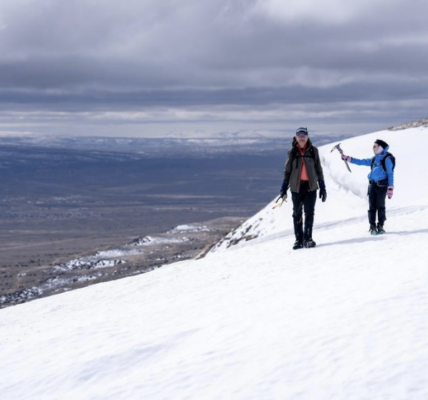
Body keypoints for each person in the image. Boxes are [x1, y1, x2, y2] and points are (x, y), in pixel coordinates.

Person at [279, 127, 327, 250]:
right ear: (296, 137)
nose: (302, 137)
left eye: (304, 135)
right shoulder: (292, 152)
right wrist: (283, 188)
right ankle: (298, 240)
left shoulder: (313, 151)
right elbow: (287, 171)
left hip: (311, 187)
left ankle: (308, 239)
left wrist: (322, 187)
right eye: (299, 135)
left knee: (309, 213)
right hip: (296, 188)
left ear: (307, 137)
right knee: (297, 214)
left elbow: (319, 169)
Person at [341, 139, 394, 235]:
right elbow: (361, 162)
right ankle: (372, 226)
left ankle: (380, 226)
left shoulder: (387, 159)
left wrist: (390, 188)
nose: (373, 148)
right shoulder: (374, 159)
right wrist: (348, 159)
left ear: (380, 148)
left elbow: (390, 174)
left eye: (375, 146)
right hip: (372, 186)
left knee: (381, 206)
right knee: (372, 207)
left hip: (382, 186)